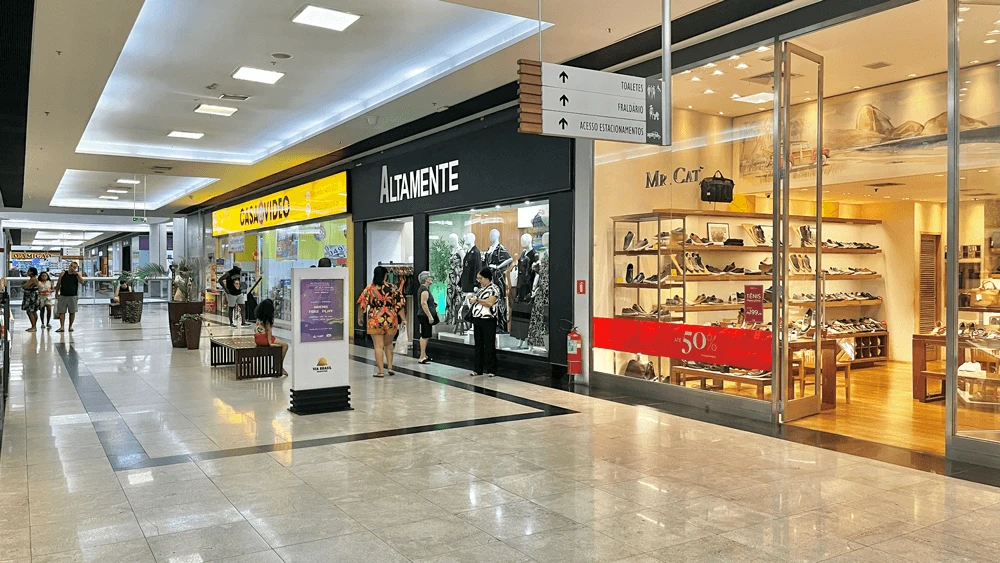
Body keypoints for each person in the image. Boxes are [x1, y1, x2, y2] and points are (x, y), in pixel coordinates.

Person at [357, 265, 405, 377]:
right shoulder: (393, 288)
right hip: (391, 318)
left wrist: (360, 317)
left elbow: (362, 304)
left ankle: (381, 371)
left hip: (375, 318)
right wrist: (404, 319)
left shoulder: (369, 289)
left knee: (378, 346)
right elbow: (400, 304)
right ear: (385, 275)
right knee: (388, 344)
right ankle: (390, 367)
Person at [469, 266, 499, 377]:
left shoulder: (494, 289)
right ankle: (478, 369)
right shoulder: (480, 290)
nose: (479, 281)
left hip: (488, 319)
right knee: (478, 344)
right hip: (478, 319)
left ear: (487, 278)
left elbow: (489, 303)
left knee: (489, 344)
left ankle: (491, 369)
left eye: (480, 278)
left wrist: (477, 300)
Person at [254, 299, 288, 376]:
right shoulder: (267, 320)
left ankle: (277, 365)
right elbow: (269, 331)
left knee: (278, 345)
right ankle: (278, 366)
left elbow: (256, 330)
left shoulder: (259, 318)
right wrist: (270, 342)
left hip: (258, 339)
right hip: (264, 339)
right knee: (285, 345)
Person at [55, 261, 85, 333]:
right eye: (71, 266)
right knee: (61, 311)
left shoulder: (76, 275)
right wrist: (56, 292)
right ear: (69, 266)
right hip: (63, 295)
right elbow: (58, 283)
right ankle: (62, 326)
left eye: (74, 267)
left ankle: (70, 326)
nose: (72, 268)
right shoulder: (63, 274)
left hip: (73, 296)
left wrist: (77, 274)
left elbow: (82, 282)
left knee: (72, 312)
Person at [416, 270, 438, 364]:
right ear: (425, 279)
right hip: (424, 315)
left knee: (427, 335)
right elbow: (423, 303)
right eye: (430, 277)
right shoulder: (424, 290)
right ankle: (422, 356)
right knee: (425, 335)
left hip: (424, 315)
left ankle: (424, 355)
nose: (431, 279)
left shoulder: (425, 289)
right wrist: (430, 316)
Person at [21, 267, 41, 332]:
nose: (27, 272)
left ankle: (33, 326)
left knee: (30, 311)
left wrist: (23, 286)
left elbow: (25, 286)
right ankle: (33, 326)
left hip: (31, 297)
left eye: (28, 271)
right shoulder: (33, 279)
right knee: (33, 311)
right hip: (32, 296)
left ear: (31, 272)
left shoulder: (33, 279)